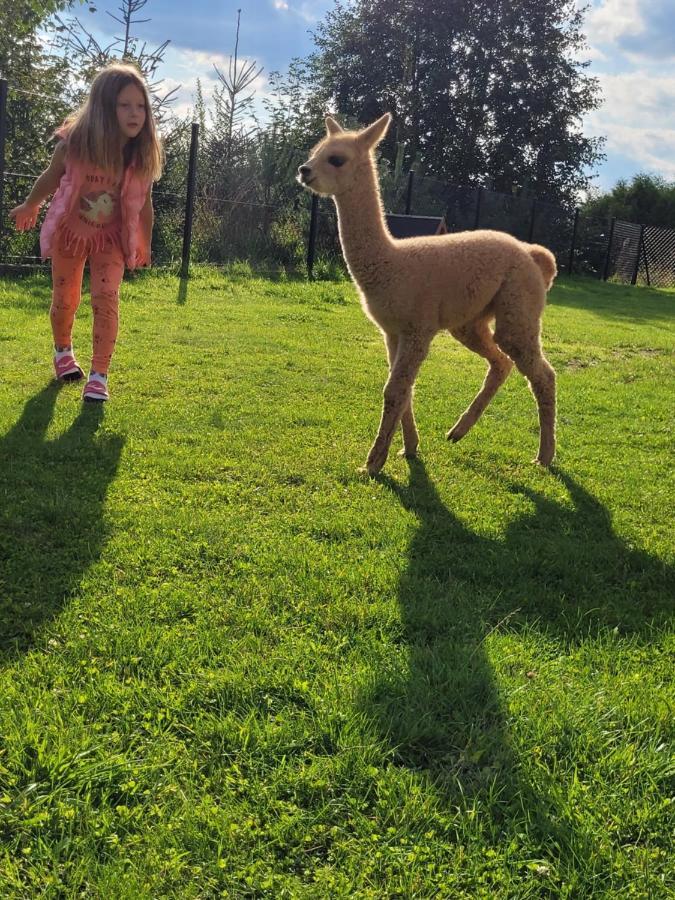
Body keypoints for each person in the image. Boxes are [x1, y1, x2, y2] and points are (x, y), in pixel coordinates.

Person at [9, 63, 163, 401]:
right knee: (66, 298)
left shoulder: (139, 154)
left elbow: (145, 203)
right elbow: (51, 177)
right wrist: (31, 204)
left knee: (107, 299)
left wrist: (144, 243)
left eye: (141, 106)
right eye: (125, 105)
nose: (135, 113)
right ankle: (63, 352)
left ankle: (99, 375)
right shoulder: (75, 142)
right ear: (106, 106)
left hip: (110, 238)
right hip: (71, 231)